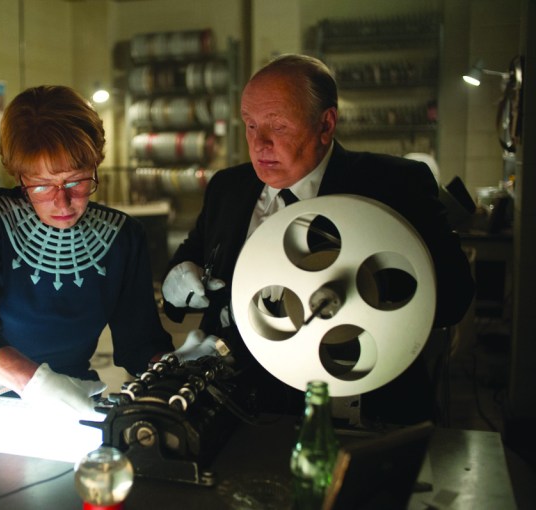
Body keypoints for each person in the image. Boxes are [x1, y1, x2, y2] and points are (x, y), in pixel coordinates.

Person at [161, 54, 475, 425]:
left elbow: (453, 296)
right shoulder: (228, 189)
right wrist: (177, 284)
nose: (259, 143)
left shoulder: (394, 186)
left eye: (277, 127)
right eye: (249, 125)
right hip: (239, 407)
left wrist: (361, 294)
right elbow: (188, 267)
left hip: (351, 403)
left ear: (325, 124)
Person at [0, 85, 190, 416]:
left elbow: (139, 345)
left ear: (96, 165)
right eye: (42, 185)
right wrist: (36, 383)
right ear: (19, 177)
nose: (62, 202)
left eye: (77, 181)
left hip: (74, 394)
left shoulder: (122, 238)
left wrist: (175, 365)